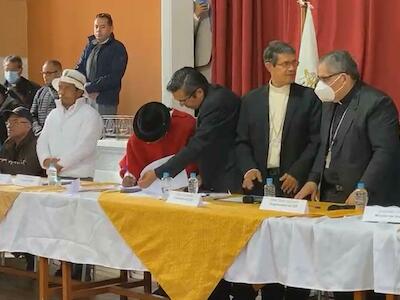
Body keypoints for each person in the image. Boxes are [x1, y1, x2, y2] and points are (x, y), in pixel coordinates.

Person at [295, 50, 400, 300]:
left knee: (367, 278)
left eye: (323, 78)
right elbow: (325, 145)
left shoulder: (377, 103)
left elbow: (385, 151)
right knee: (342, 276)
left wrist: (364, 188)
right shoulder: (330, 102)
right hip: (334, 200)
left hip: (367, 201)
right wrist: (312, 178)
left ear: (343, 78)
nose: (319, 84)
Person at [233, 40, 321, 300]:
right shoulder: (251, 99)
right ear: (268, 66)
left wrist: (297, 172)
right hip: (262, 180)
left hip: (293, 182)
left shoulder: (309, 98)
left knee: (295, 249)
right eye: (286, 64)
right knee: (265, 249)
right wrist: (248, 168)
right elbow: (241, 140)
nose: (292, 68)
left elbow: (316, 141)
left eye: (294, 62)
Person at [138, 67, 241, 194]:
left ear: (198, 92)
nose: (182, 105)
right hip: (216, 173)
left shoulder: (217, 104)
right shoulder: (212, 98)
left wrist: (157, 173)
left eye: (183, 100)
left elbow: (197, 145)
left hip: (229, 175)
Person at [36, 69, 103, 179]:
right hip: (53, 177)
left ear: (79, 92)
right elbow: (42, 141)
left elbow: (86, 147)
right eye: (60, 87)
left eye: (67, 88)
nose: (61, 92)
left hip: (80, 178)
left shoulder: (90, 115)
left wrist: (60, 165)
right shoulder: (53, 114)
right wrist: (45, 160)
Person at [0, 107, 44, 272]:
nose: (9, 126)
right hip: (13, 192)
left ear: (27, 125)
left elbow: (27, 169)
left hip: (35, 196)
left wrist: (1, 162)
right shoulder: (9, 143)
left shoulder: (35, 143)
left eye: (15, 122)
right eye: (8, 122)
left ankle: (28, 255)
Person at [119, 101, 197, 187]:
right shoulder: (139, 135)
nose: (149, 143)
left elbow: (194, 159)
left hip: (184, 187)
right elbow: (131, 166)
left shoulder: (186, 126)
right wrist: (129, 176)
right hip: (148, 192)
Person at [76, 13, 128, 115]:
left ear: (111, 28)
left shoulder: (117, 48)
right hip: (85, 97)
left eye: (103, 27)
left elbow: (114, 76)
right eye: (96, 27)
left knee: (104, 129)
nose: (98, 30)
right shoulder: (90, 46)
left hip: (105, 100)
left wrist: (92, 87)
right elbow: (80, 67)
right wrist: (77, 85)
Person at [30, 60, 62, 135]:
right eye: (43, 73)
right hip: (41, 136)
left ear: (59, 73)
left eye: (48, 73)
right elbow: (32, 115)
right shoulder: (40, 92)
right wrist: (38, 130)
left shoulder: (66, 91)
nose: (45, 76)